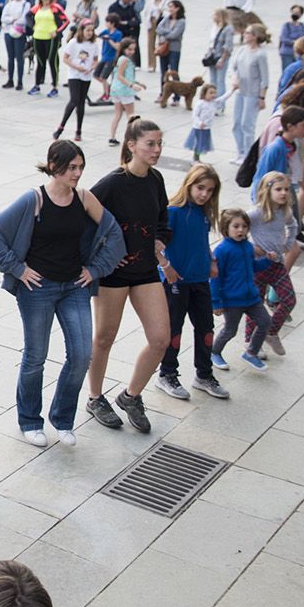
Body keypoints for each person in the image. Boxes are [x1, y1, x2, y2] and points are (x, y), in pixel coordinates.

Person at [0, 140, 124, 447]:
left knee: (82, 354)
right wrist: (18, 269)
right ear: (54, 166)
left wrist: (95, 269)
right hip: (38, 289)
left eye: (81, 167)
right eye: (72, 167)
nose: (78, 173)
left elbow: (113, 233)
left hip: (74, 287)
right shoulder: (34, 200)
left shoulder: (84, 198)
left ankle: (63, 419)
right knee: (36, 357)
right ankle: (30, 421)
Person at [85, 119, 171, 433]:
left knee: (160, 339)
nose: (157, 150)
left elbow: (163, 216)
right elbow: (85, 215)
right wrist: (100, 256)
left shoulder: (156, 179)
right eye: (151, 143)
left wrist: (162, 238)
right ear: (131, 145)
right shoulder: (112, 183)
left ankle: (131, 395)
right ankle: (95, 397)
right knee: (104, 338)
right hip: (113, 275)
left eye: (160, 144)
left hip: (146, 270)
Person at [156, 164, 228, 401]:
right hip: (176, 281)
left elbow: (200, 242)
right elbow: (157, 244)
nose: (204, 194)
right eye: (200, 188)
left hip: (200, 280)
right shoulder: (173, 212)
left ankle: (204, 375)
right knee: (174, 329)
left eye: (209, 190)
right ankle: (167, 374)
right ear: (189, 184)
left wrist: (211, 260)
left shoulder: (204, 214)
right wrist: (166, 268)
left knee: (206, 329)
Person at [210, 207, 272, 371]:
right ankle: (214, 352)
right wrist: (216, 302)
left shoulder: (248, 247)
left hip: (251, 297)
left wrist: (267, 261)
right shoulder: (222, 250)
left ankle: (251, 352)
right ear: (226, 228)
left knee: (265, 321)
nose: (241, 230)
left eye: (244, 226)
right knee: (230, 330)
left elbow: (253, 267)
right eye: (236, 226)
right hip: (232, 300)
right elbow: (215, 277)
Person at [247, 171, 299, 358]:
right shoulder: (256, 212)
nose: (284, 193)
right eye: (279, 189)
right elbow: (237, 225)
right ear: (267, 191)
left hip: (277, 265)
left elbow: (293, 225)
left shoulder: (285, 212)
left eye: (286, 189)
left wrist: (288, 243)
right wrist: (250, 248)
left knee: (289, 299)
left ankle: (271, 332)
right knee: (255, 304)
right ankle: (252, 343)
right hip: (258, 266)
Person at [229, 26, 270, 160]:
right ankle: (240, 152)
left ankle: (247, 156)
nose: (245, 34)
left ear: (255, 36)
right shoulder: (241, 50)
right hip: (240, 91)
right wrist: (234, 78)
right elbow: (233, 68)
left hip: (253, 93)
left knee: (247, 125)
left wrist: (262, 97)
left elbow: (264, 78)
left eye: (248, 33)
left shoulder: (260, 54)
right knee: (236, 123)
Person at [56, 22, 99, 141]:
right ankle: (61, 126)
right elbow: (65, 58)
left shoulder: (94, 45)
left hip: (86, 76)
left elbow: (95, 59)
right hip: (74, 75)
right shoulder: (74, 43)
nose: (90, 33)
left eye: (92, 31)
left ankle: (78, 130)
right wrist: (76, 66)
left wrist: (92, 67)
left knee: (81, 102)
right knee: (74, 100)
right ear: (82, 30)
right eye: (88, 30)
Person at [105, 38, 145, 146]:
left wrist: (138, 83)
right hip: (124, 90)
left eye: (133, 49)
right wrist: (132, 85)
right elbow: (120, 75)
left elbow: (123, 75)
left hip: (115, 89)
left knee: (118, 114)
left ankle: (112, 137)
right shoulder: (125, 60)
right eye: (130, 49)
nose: (132, 52)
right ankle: (131, 138)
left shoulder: (120, 59)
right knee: (131, 115)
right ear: (124, 49)